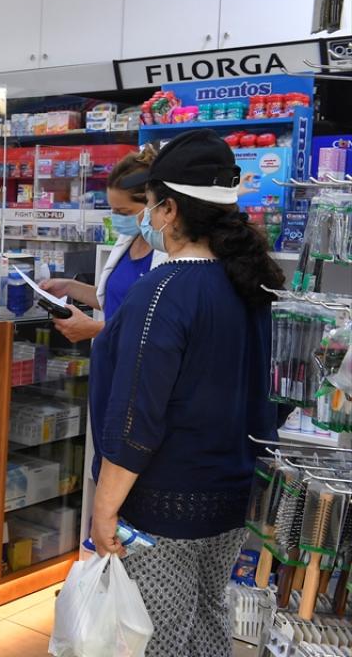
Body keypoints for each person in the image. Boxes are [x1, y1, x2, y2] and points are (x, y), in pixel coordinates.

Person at [88, 129, 284, 656]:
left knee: (154, 636)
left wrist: (105, 508)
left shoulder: (161, 292)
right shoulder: (250, 283)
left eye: (150, 205)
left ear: (170, 209)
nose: (147, 218)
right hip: (231, 498)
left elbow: (136, 415)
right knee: (206, 624)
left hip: (163, 505)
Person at [39, 145, 166, 342]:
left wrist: (95, 329)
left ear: (152, 204)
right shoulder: (128, 239)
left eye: (124, 212)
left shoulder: (168, 253)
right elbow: (112, 300)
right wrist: (69, 287)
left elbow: (159, 325)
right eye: (112, 210)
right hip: (110, 354)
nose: (116, 218)